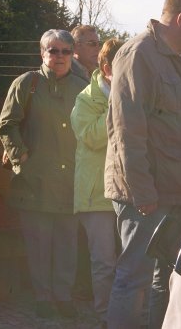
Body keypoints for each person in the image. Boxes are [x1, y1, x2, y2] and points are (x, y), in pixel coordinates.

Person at [104, 0, 181, 329]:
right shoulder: (137, 54)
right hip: (145, 194)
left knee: (166, 277)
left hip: (178, 189)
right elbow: (127, 130)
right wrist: (143, 192)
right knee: (132, 278)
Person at [0, 29, 87, 319]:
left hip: (71, 178)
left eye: (65, 51)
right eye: (53, 50)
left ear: (72, 54)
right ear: (42, 53)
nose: (59, 56)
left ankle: (63, 295)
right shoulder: (27, 83)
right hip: (34, 180)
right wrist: (21, 157)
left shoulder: (82, 86)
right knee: (38, 242)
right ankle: (43, 296)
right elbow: (6, 125)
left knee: (67, 242)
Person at [70, 38, 123, 326]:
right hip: (96, 195)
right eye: (123, 67)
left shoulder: (135, 94)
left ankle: (130, 316)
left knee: (133, 262)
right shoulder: (85, 99)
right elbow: (90, 136)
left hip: (130, 192)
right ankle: (105, 317)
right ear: (107, 68)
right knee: (104, 263)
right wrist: (117, 103)